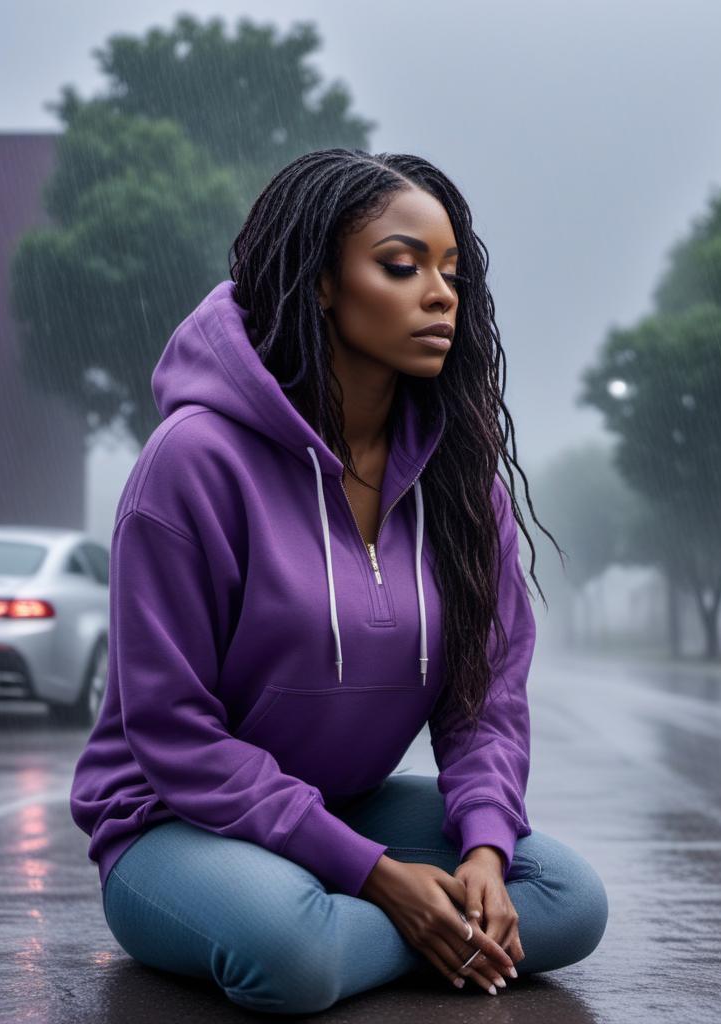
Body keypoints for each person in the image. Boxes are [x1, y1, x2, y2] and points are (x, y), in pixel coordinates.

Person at [69, 148, 608, 1015]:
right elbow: (173, 731)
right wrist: (381, 878)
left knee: (564, 899)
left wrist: (478, 852)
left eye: (450, 272)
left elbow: (483, 705)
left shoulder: (463, 488)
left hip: (349, 807)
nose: (441, 294)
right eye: (402, 266)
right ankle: (380, 928)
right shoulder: (195, 463)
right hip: (173, 822)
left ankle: (382, 918)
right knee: (292, 954)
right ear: (322, 281)